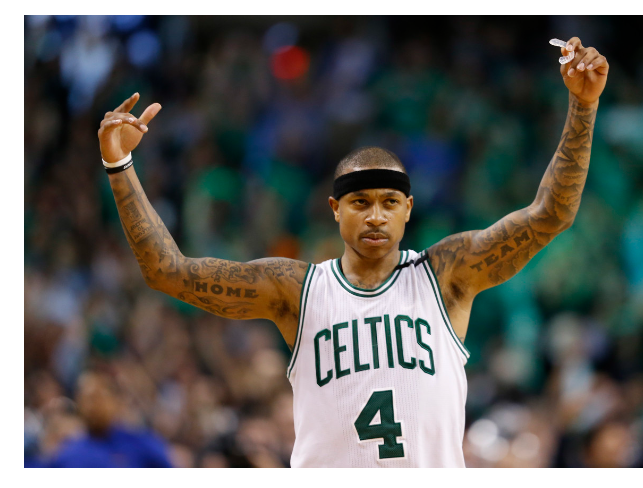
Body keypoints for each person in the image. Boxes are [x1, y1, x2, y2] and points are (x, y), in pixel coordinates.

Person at [97, 37, 608, 468]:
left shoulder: (446, 274)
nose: (376, 216)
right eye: (360, 203)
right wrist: (120, 167)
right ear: (335, 210)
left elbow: (551, 214)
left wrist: (583, 108)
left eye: (389, 203)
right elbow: (168, 273)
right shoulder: (296, 289)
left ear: (408, 210)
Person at [43, 372, 173, 468]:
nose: (93, 406)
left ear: (116, 401)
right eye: (87, 400)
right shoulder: (67, 455)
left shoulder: (140, 444)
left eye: (98, 398)